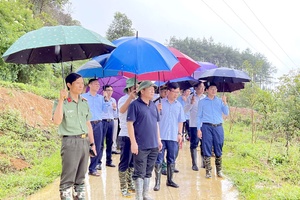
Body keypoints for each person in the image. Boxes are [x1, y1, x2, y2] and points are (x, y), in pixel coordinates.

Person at [52, 73, 96, 200]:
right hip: (70, 142)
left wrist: (92, 144)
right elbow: (56, 121)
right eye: (78, 83)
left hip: (84, 141)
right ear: (69, 85)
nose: (81, 85)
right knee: (68, 177)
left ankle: (80, 197)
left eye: (82, 83)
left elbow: (88, 124)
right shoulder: (62, 102)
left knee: (81, 177)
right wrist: (61, 100)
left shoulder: (84, 102)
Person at [127, 81, 163, 200]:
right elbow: (130, 124)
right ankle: (138, 196)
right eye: (150, 89)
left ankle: (145, 195)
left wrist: (158, 139)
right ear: (142, 91)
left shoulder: (153, 105)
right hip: (141, 144)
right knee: (139, 171)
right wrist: (133, 142)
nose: (153, 91)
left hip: (153, 144)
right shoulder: (134, 105)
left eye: (153, 89)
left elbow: (156, 124)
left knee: (148, 170)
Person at [153, 82, 185, 191]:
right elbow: (153, 119)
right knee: (159, 160)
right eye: (174, 92)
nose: (176, 94)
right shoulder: (159, 103)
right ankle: (157, 182)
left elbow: (181, 121)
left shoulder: (179, 105)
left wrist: (180, 134)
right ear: (168, 91)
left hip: (173, 137)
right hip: (161, 136)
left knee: (172, 159)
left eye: (178, 92)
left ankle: (170, 180)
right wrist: (157, 110)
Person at [197, 82, 229, 178]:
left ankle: (219, 171)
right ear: (207, 90)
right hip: (206, 127)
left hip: (218, 127)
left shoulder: (219, 101)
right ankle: (208, 171)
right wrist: (198, 129)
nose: (214, 90)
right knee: (206, 147)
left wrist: (225, 102)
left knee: (218, 146)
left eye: (215, 89)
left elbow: (226, 112)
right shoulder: (202, 102)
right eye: (211, 89)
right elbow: (199, 116)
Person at [81, 79, 109, 176]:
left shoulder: (101, 98)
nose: (97, 86)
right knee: (84, 145)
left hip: (98, 123)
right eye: (95, 84)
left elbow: (105, 110)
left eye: (98, 84)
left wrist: (106, 99)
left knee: (97, 145)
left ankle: (93, 168)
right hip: (86, 123)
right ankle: (81, 168)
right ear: (90, 85)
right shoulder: (83, 96)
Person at [117, 78, 138, 197]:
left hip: (135, 136)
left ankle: (130, 184)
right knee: (124, 162)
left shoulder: (139, 100)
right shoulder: (123, 99)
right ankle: (123, 187)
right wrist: (130, 98)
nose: (136, 89)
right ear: (129, 88)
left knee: (132, 162)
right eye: (134, 87)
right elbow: (121, 110)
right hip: (125, 135)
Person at [184, 82, 206, 171]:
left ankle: (203, 162)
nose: (202, 89)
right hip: (193, 124)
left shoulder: (205, 98)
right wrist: (191, 103)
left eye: (203, 87)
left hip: (204, 124)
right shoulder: (190, 97)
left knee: (204, 144)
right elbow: (185, 110)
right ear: (195, 88)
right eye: (200, 87)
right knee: (194, 144)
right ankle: (194, 163)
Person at [99, 85, 118, 168]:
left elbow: (115, 114)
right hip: (103, 121)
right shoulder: (100, 99)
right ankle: (98, 162)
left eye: (111, 90)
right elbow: (102, 111)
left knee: (110, 142)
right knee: (101, 143)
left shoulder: (113, 100)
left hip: (111, 121)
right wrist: (106, 101)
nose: (110, 92)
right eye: (108, 90)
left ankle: (109, 160)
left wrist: (114, 108)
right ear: (104, 91)